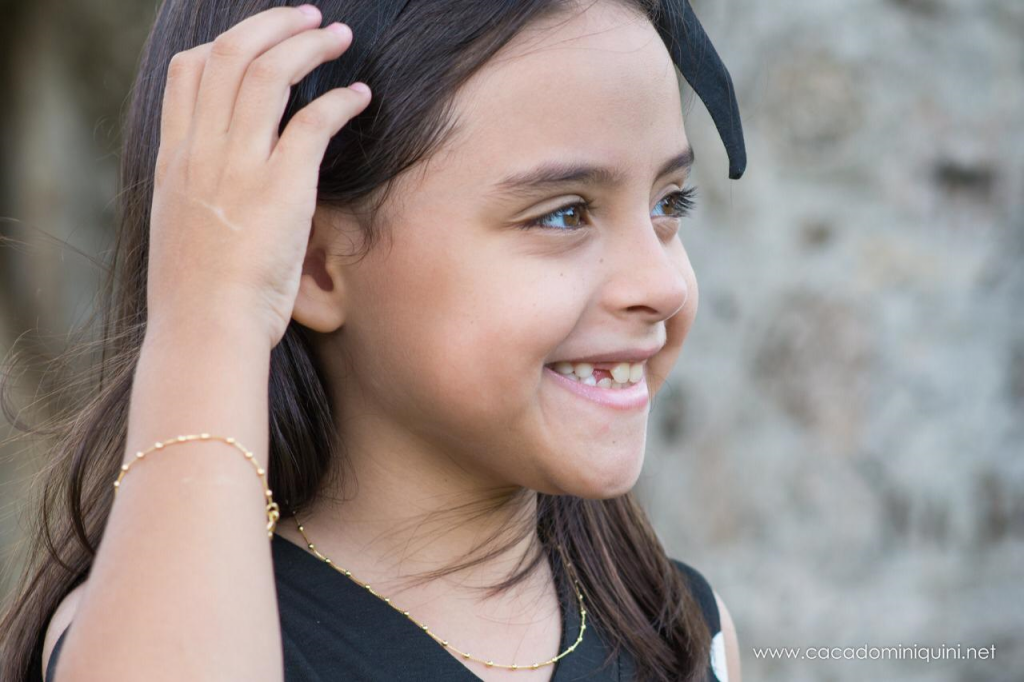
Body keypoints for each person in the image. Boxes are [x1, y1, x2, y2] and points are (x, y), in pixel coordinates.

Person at [0, 1, 744, 680]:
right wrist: (209, 316)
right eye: (563, 214)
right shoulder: (163, 630)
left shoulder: (677, 627)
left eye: (668, 203)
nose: (664, 283)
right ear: (311, 262)